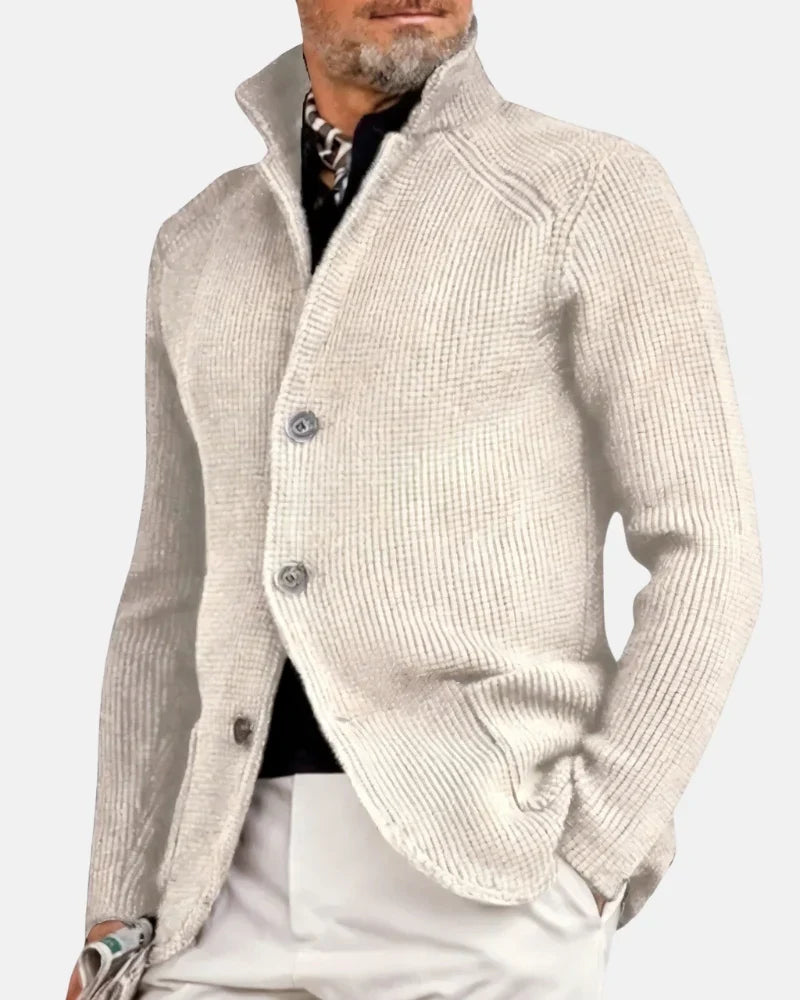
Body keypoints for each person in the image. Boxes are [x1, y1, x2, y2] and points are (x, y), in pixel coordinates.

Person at [65, 2, 763, 998]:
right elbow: (166, 594)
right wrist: (116, 904)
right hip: (215, 892)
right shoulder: (200, 242)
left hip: (483, 887)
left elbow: (706, 540)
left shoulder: (587, 191)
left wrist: (593, 853)